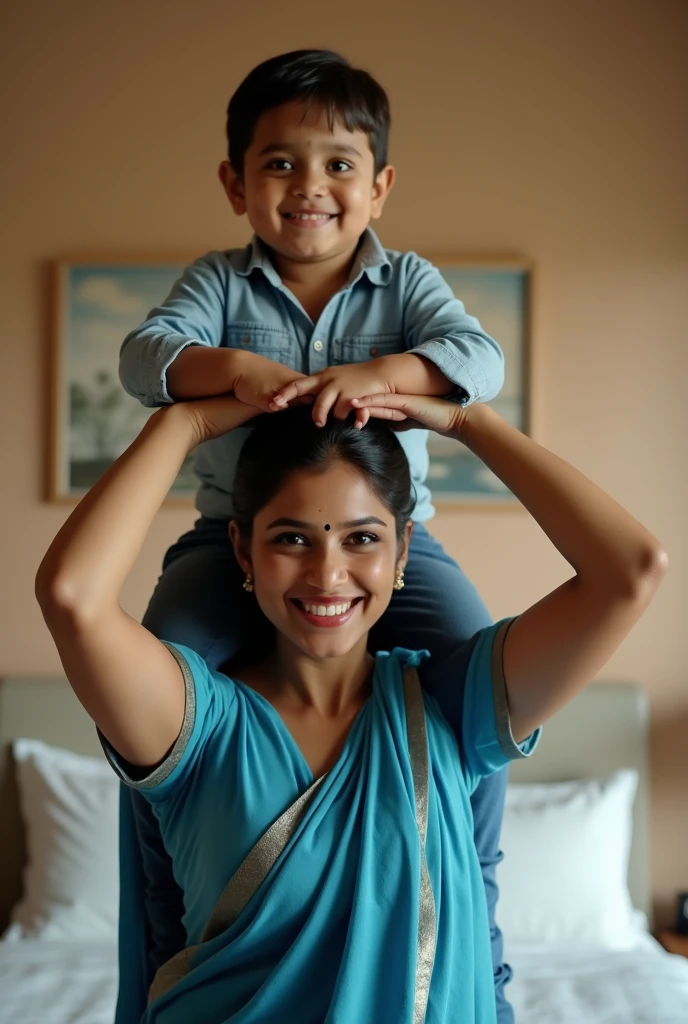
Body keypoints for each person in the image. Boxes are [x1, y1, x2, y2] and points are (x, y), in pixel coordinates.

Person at [35, 389, 666, 1024]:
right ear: (242, 549)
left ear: (403, 548)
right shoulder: (195, 729)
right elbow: (71, 596)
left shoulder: (451, 711)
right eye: (291, 539)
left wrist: (467, 420)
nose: (327, 575)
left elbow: (630, 571)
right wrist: (184, 422)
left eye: (362, 538)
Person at [117, 47, 515, 1017]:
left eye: (339, 164)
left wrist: (392, 378)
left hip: (399, 548)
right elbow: (144, 358)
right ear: (236, 184)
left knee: (476, 688)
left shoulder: (407, 280)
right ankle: (173, 938)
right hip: (228, 543)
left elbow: (481, 361)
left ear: (378, 187)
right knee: (157, 674)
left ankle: (474, 910)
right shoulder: (218, 282)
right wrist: (235, 376)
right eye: (281, 164)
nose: (310, 187)